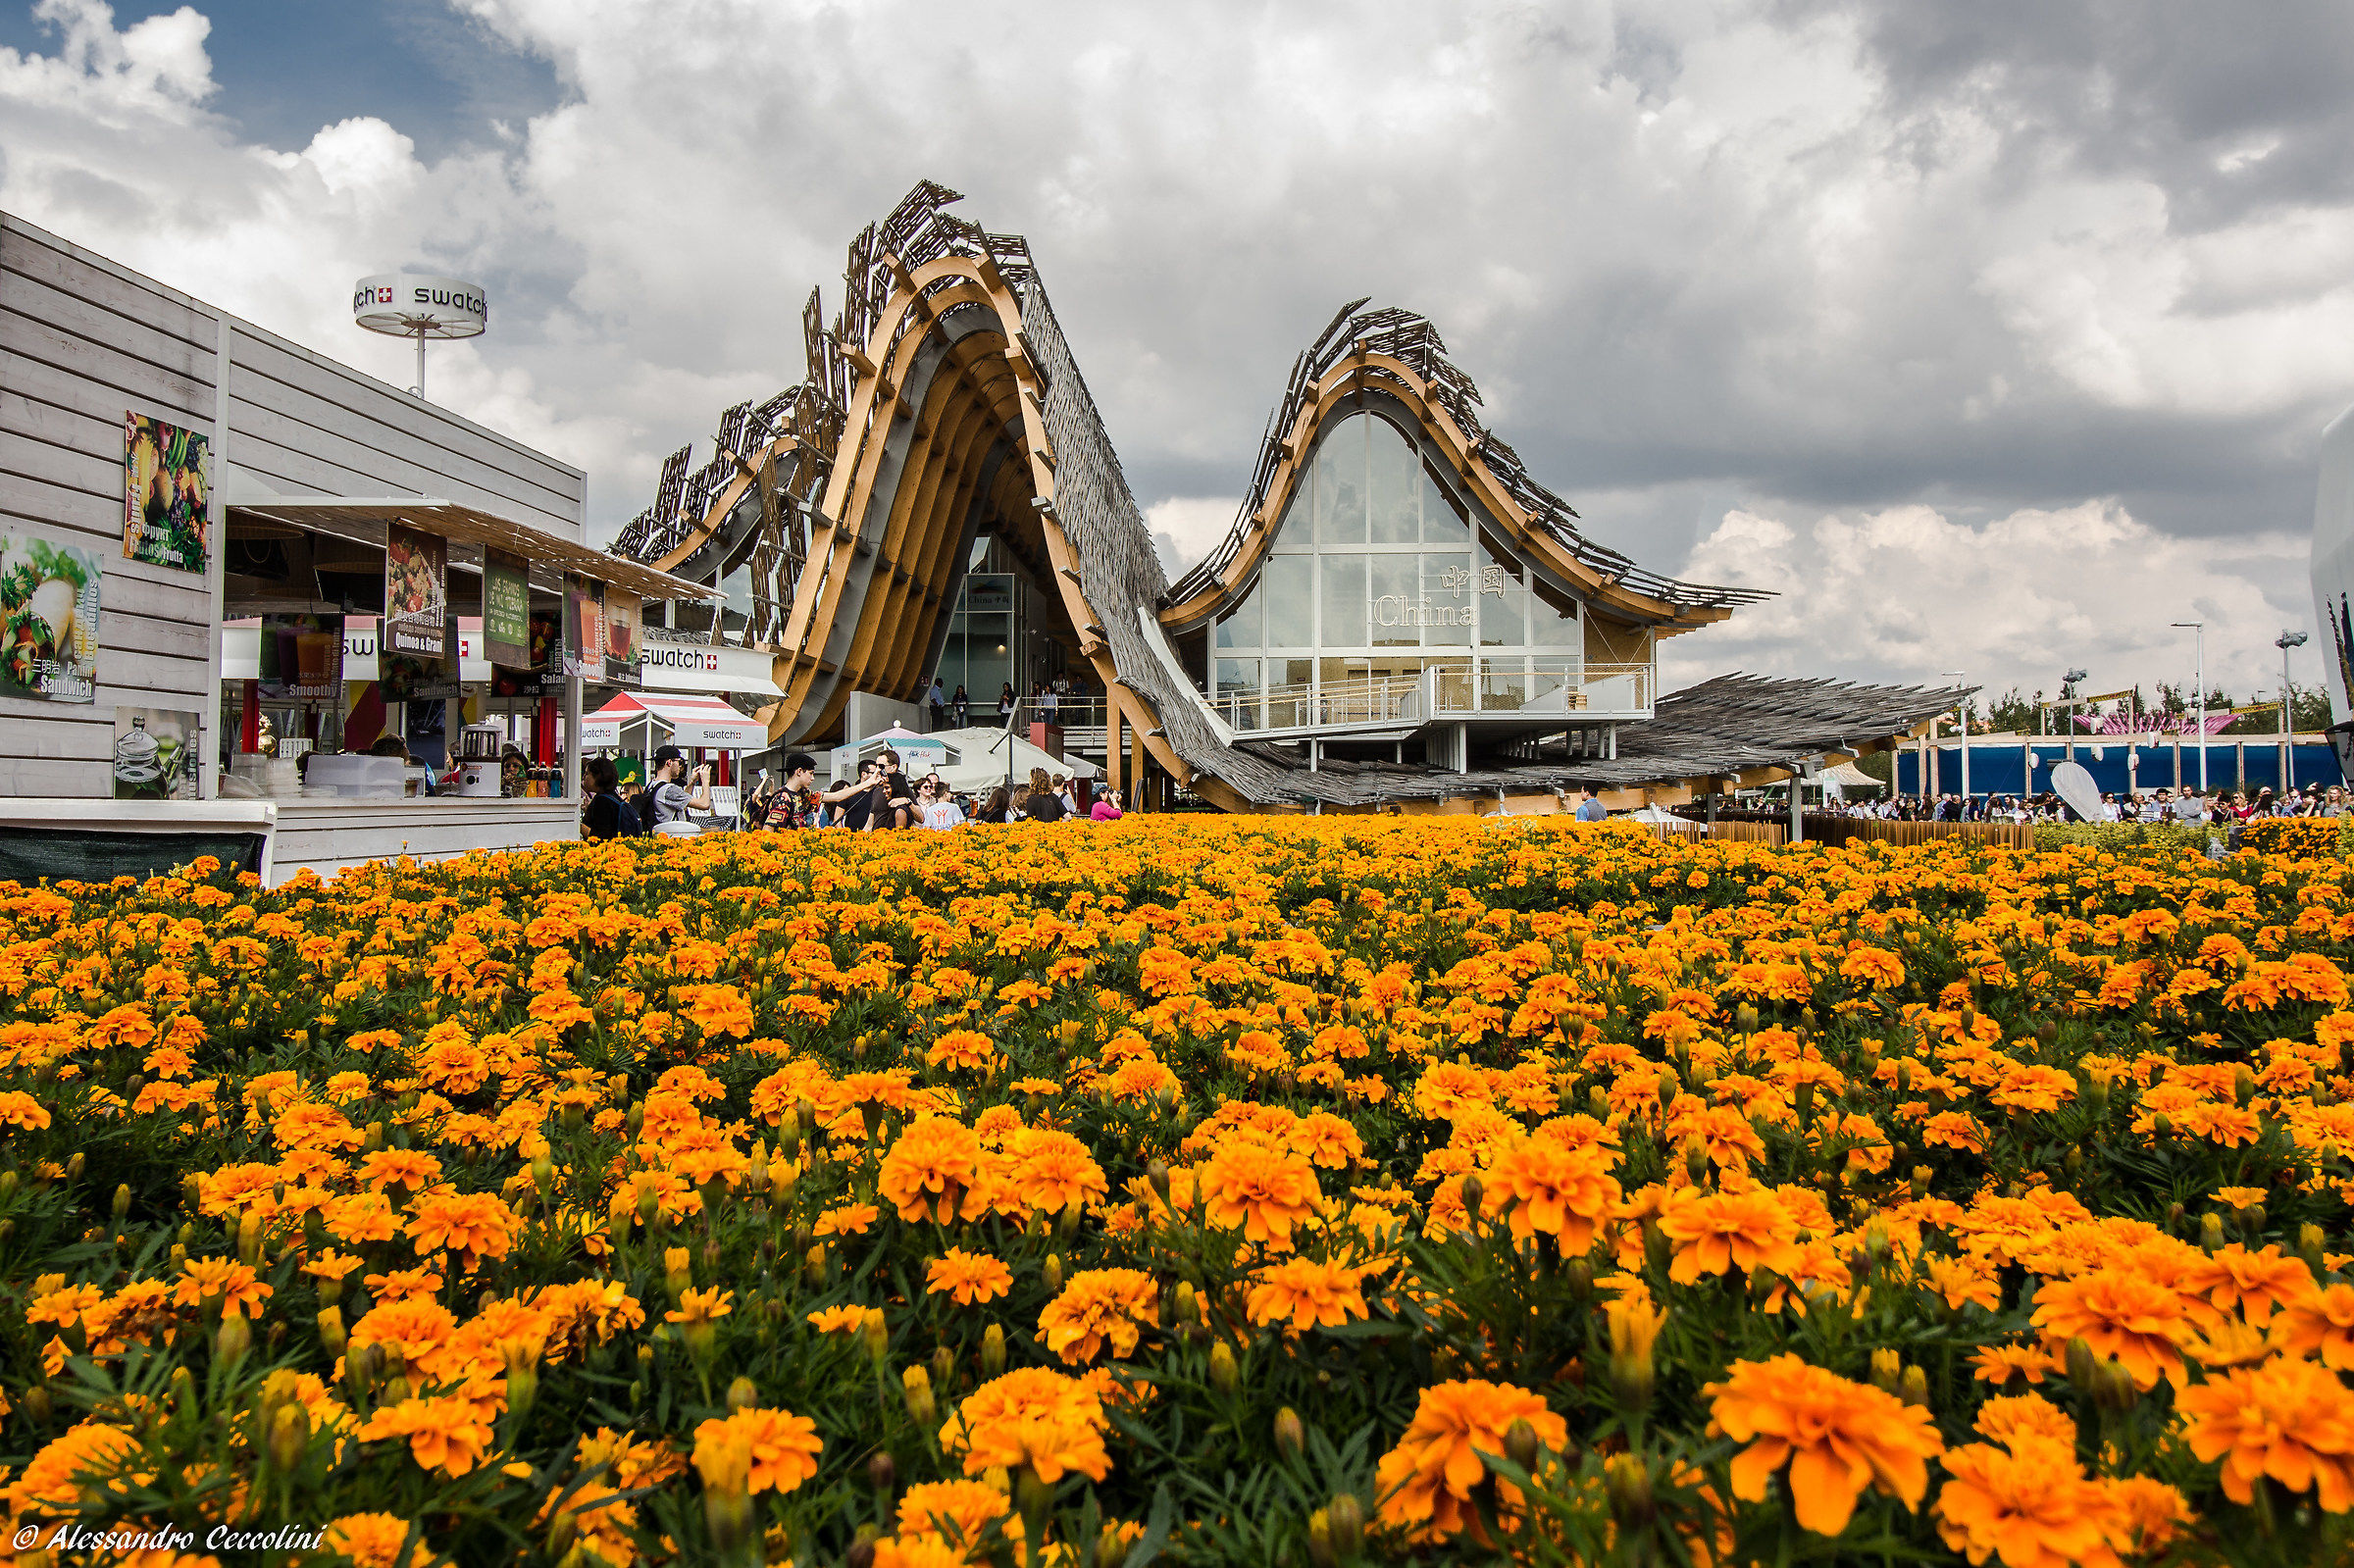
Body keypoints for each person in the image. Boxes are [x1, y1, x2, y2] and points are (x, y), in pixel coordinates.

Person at [643, 746, 711, 832]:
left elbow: (683, 803)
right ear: (669, 762)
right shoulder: (669, 789)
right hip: (673, 837)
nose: (680, 766)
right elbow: (704, 804)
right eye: (679, 762)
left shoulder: (651, 786)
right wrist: (705, 781)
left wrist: (692, 782)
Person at [581, 758, 645, 840]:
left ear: (598, 776)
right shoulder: (613, 797)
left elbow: (599, 837)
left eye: (587, 774)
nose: (583, 777)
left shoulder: (602, 801)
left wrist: (578, 826)